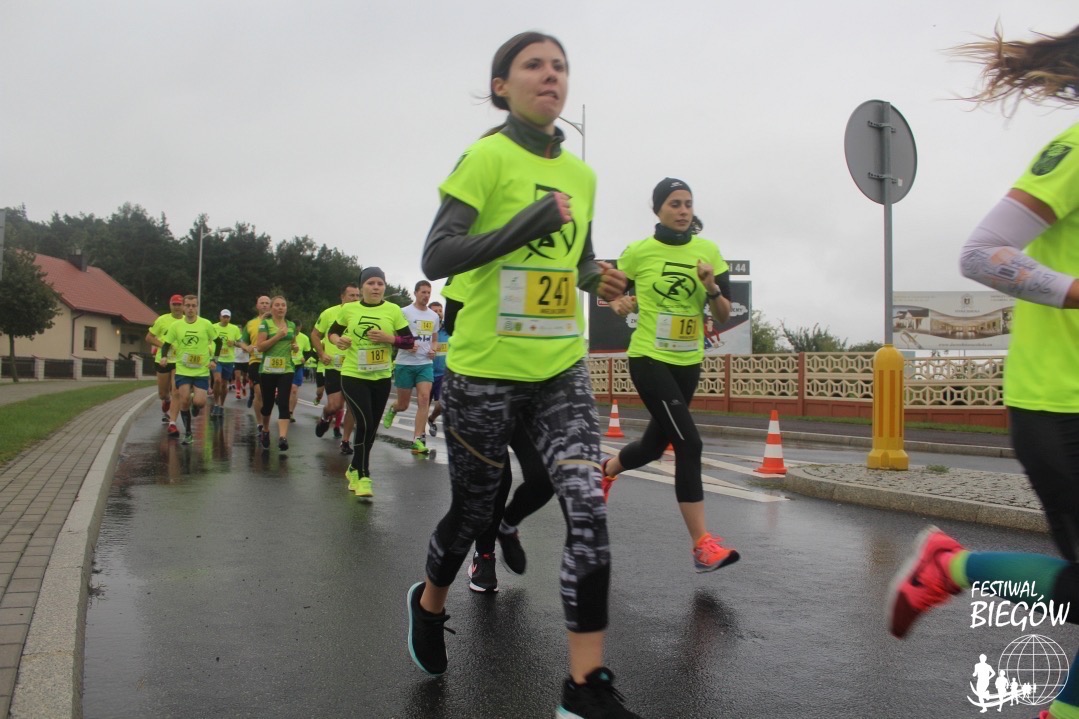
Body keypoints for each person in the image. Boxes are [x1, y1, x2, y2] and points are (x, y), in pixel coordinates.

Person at [405, 32, 640, 719]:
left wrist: (601, 280)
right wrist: (526, 223)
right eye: (533, 65)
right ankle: (429, 602)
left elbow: (577, 259)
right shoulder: (486, 157)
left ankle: (584, 686)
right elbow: (437, 253)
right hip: (483, 372)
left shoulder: (582, 176)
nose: (550, 75)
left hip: (559, 368)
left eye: (559, 66)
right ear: (501, 86)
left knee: (586, 503)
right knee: (476, 510)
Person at [889, 24, 1079, 719]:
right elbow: (981, 253)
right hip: (1058, 405)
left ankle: (951, 567)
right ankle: (949, 567)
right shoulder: (1074, 151)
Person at [599, 178, 740, 574]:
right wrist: (617, 300)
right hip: (649, 357)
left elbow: (724, 314)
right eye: (675, 203)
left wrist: (711, 288)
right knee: (688, 443)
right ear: (658, 209)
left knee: (652, 446)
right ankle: (702, 545)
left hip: (688, 360)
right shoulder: (639, 252)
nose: (683, 210)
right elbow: (609, 291)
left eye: (688, 204)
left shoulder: (709, 251)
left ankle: (605, 471)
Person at [326, 267, 412, 497]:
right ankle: (363, 476)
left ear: (384, 287)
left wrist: (389, 338)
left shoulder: (393, 310)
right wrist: (338, 340)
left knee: (371, 427)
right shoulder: (349, 309)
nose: (376, 287)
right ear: (362, 287)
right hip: (354, 374)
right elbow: (332, 332)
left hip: (381, 377)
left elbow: (409, 341)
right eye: (371, 283)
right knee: (364, 423)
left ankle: (354, 467)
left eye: (380, 284)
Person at [382, 280, 440, 454]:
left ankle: (417, 439)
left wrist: (433, 349)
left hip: (425, 364)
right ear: (415, 293)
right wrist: (405, 346)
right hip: (405, 363)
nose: (426, 296)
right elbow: (393, 336)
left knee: (424, 399)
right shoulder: (404, 312)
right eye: (423, 292)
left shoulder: (434, 316)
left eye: (429, 293)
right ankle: (394, 408)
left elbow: (435, 340)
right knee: (404, 405)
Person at [157, 295, 221, 445]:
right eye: (188, 306)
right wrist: (164, 357)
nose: (191, 309)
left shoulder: (205, 324)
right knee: (183, 400)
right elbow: (166, 344)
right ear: (183, 307)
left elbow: (218, 342)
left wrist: (214, 360)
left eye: (193, 306)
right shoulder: (176, 326)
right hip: (183, 369)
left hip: (201, 371)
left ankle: (195, 404)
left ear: (197, 307)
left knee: (200, 402)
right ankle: (188, 433)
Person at [311, 283, 361, 453]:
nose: (355, 299)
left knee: (352, 406)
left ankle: (345, 441)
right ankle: (325, 416)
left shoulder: (362, 314)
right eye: (351, 295)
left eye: (357, 296)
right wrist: (321, 353)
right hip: (334, 366)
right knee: (335, 406)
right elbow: (315, 335)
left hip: (354, 367)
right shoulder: (329, 313)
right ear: (342, 297)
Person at [255, 296, 298, 452]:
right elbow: (260, 347)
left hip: (286, 369)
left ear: (286, 308)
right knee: (267, 404)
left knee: (283, 402)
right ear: (271, 308)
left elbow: (293, 342)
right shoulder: (265, 324)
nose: (281, 308)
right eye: (277, 305)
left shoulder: (291, 325)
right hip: (268, 370)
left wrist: (295, 347)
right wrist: (278, 336)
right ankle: (265, 429)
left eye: (283, 305)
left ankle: (282, 437)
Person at [145, 294, 184, 432]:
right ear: (170, 305)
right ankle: (166, 400)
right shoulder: (162, 320)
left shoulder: (187, 321)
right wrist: (164, 346)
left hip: (179, 361)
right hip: (163, 360)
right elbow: (149, 338)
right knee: (162, 393)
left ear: (183, 306)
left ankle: (172, 422)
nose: (177, 307)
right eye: (174, 304)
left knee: (176, 391)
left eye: (179, 304)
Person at [241, 296, 272, 423]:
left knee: (267, 395)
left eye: (267, 303)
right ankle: (259, 423)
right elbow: (242, 341)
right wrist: (246, 347)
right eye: (262, 303)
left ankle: (265, 423)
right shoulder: (251, 324)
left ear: (271, 306)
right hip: (256, 361)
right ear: (257, 306)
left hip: (271, 363)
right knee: (259, 392)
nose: (264, 305)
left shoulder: (278, 322)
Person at [211, 309, 242, 418]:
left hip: (228, 360)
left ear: (230, 318)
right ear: (220, 317)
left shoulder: (234, 329)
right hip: (217, 359)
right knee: (217, 380)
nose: (225, 319)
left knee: (224, 384)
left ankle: (221, 405)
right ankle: (216, 403)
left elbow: (241, 343)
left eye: (227, 317)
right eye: (224, 317)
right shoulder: (213, 327)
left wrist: (234, 343)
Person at [425, 300, 449, 437]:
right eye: (435, 311)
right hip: (426, 372)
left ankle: (431, 419)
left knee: (443, 404)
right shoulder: (426, 330)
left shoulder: (449, 330)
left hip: (443, 374)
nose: (438, 313)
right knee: (424, 405)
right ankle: (419, 437)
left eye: (440, 311)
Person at [288, 321, 313, 422]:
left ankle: (290, 413)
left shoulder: (304, 338)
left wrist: (304, 358)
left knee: (294, 389)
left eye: (298, 328)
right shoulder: (286, 335)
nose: (296, 330)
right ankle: (282, 406)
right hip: (286, 365)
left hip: (298, 365)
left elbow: (308, 351)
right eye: (294, 328)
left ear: (300, 327)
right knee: (285, 389)